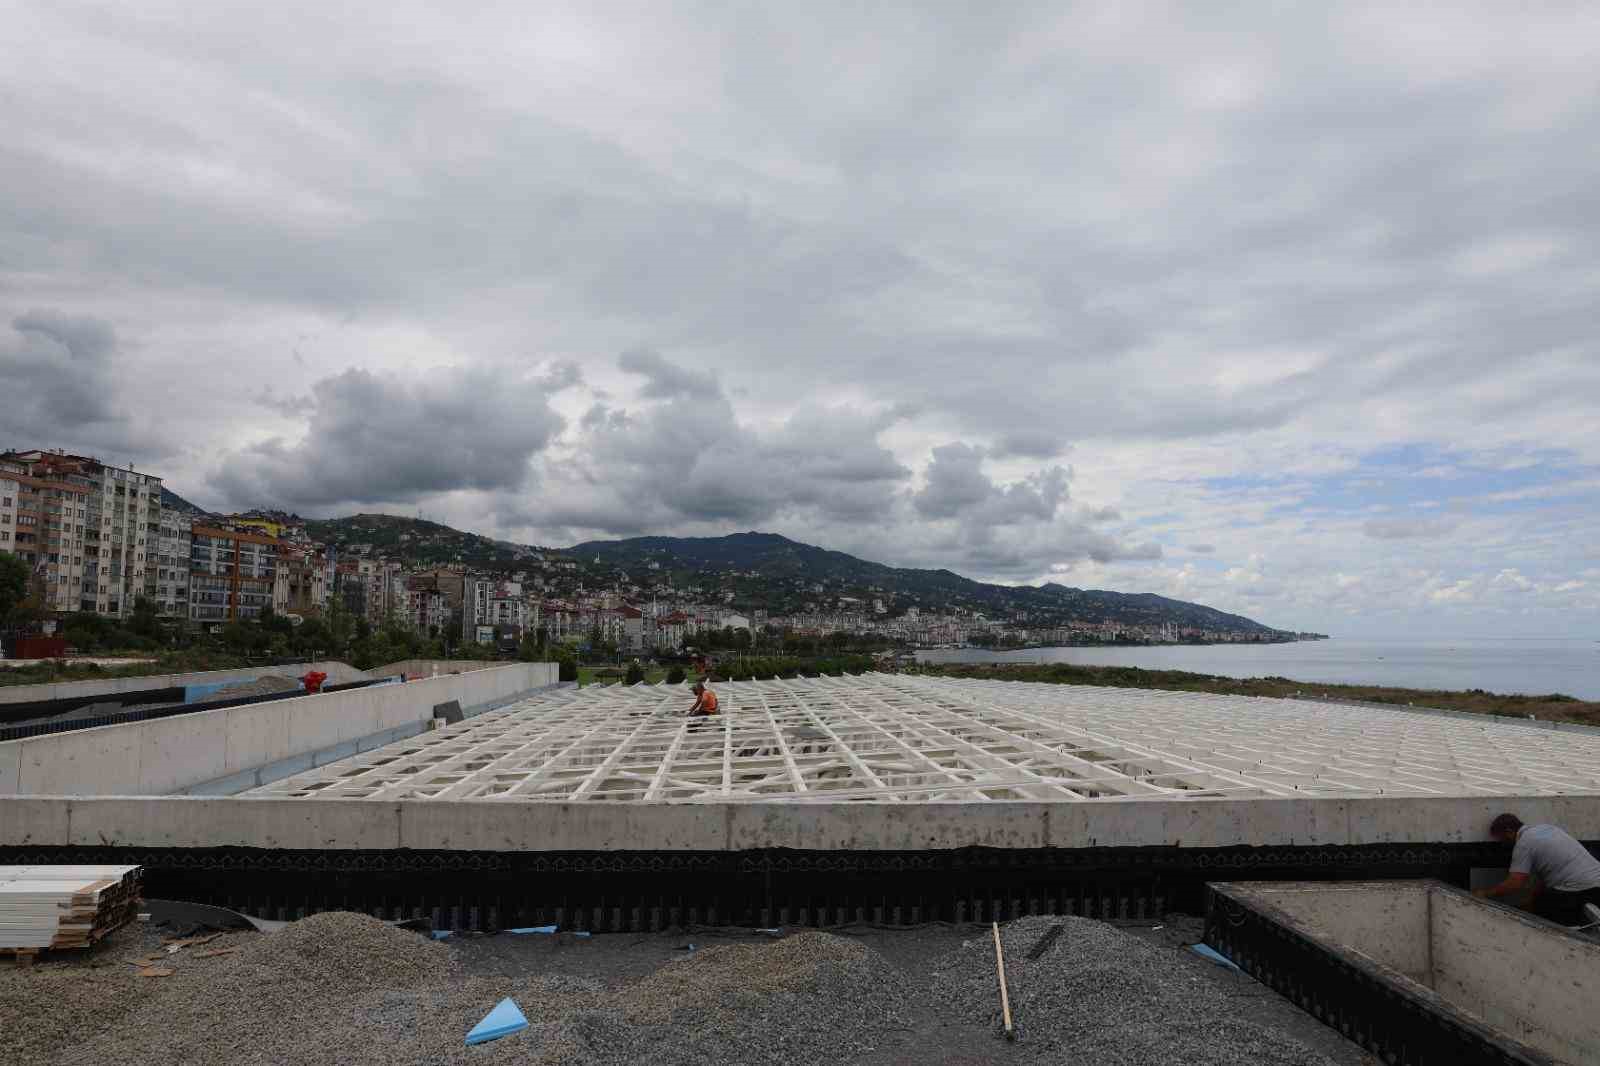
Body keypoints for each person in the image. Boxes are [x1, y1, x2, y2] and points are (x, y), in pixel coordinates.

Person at [1475, 813, 1600, 927]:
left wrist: (1486, 893)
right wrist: (1530, 901)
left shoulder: (1524, 843)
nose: (1502, 843)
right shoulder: (1547, 828)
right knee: (1540, 902)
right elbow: (1546, 877)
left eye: (1502, 839)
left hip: (1574, 889)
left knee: (1545, 921)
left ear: (1509, 831)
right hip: (1596, 882)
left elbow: (1515, 882)